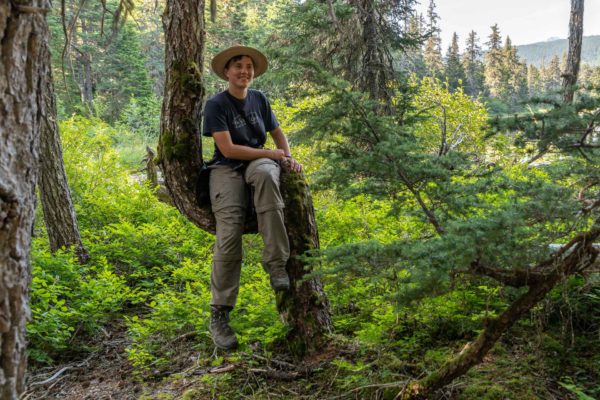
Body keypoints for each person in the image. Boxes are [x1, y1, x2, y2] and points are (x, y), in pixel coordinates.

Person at [203, 45, 302, 350]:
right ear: (226, 72)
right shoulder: (216, 104)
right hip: (226, 167)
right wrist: (270, 153)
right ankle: (219, 313)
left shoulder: (259, 99)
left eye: (249, 66)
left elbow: (277, 132)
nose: (244, 71)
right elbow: (229, 149)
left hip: (257, 164)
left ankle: (276, 265)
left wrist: (285, 156)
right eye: (238, 67)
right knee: (229, 231)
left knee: (267, 175)